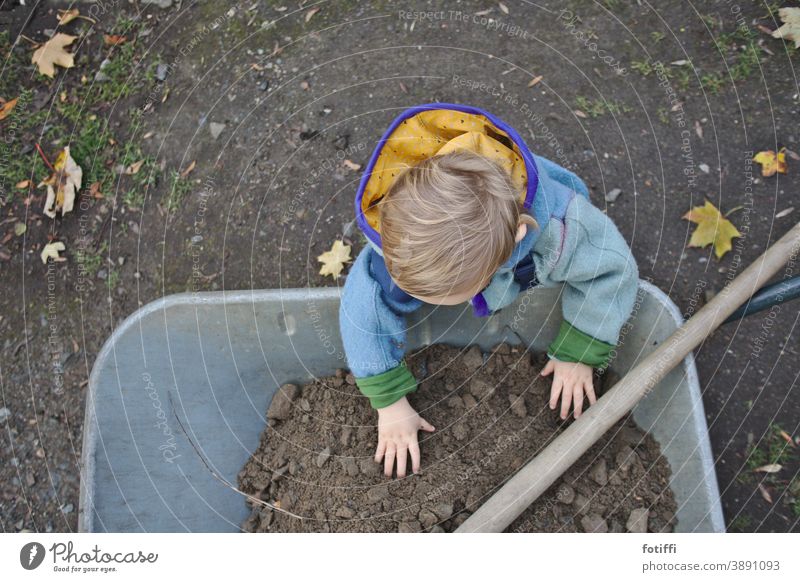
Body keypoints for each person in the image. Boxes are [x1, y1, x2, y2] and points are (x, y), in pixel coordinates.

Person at [338, 103, 639, 478]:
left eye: (460, 292)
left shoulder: (565, 233)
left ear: (514, 243)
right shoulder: (404, 237)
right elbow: (362, 312)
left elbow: (612, 272)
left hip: (544, 210)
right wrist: (390, 405)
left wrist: (580, 351)